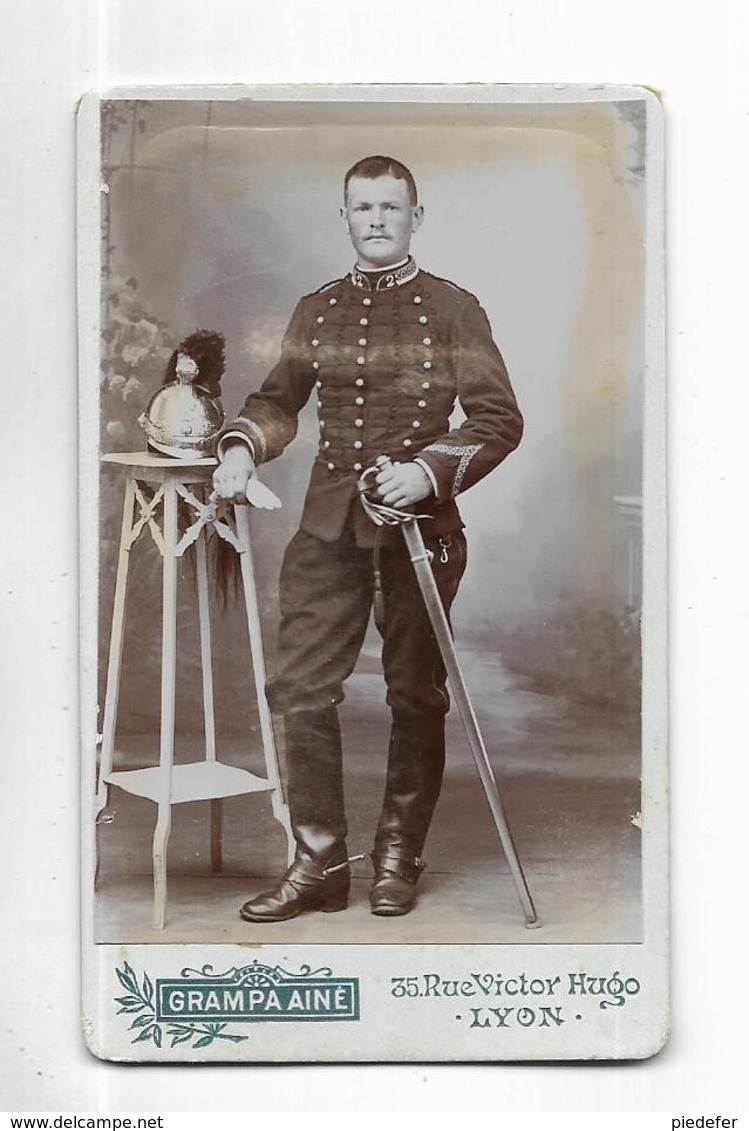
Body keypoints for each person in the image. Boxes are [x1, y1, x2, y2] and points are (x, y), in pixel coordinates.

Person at [212, 155, 523, 922]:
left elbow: (497, 419)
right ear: (344, 217)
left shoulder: (455, 309)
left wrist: (427, 471)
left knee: (413, 693)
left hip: (420, 531)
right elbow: (277, 400)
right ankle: (318, 860)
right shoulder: (315, 309)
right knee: (299, 688)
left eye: (391, 207)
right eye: (363, 208)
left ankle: (396, 856)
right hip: (327, 527)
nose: (377, 219)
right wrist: (242, 446)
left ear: (415, 218)